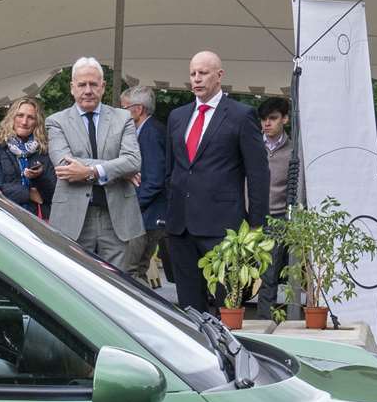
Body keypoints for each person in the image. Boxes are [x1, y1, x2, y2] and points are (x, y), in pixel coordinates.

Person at [164, 51, 268, 311]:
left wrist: (255, 225)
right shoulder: (177, 116)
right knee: (190, 309)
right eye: (192, 74)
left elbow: (258, 173)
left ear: (219, 76)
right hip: (181, 227)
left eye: (203, 73)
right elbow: (172, 169)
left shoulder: (241, 115)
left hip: (223, 228)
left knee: (228, 307)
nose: (196, 79)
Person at [45, 57, 142, 268]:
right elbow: (63, 164)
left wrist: (91, 171)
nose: (88, 90)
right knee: (74, 281)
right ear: (72, 88)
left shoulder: (122, 117)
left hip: (116, 216)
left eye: (93, 84)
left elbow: (134, 160)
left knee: (119, 285)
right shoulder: (56, 121)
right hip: (73, 217)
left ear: (103, 86)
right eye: (82, 85)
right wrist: (117, 168)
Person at [120, 85, 168, 286]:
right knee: (138, 268)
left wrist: (133, 205)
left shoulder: (150, 133)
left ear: (137, 110)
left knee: (131, 270)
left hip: (147, 216)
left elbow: (155, 179)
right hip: (150, 215)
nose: (120, 113)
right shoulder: (150, 130)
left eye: (123, 108)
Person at [253, 97, 295, 319]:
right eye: (263, 119)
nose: (267, 123)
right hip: (248, 216)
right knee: (235, 271)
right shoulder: (252, 144)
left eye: (273, 118)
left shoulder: (293, 151)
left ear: (285, 119)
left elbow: (294, 188)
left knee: (269, 276)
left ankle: (263, 325)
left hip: (277, 217)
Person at [0, 96, 56, 218]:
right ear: (12, 118)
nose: (24, 122)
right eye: (20, 115)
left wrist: (39, 177)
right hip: (6, 217)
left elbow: (53, 194)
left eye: (30, 117)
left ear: (37, 122)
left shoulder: (44, 151)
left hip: (38, 220)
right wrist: (28, 193)